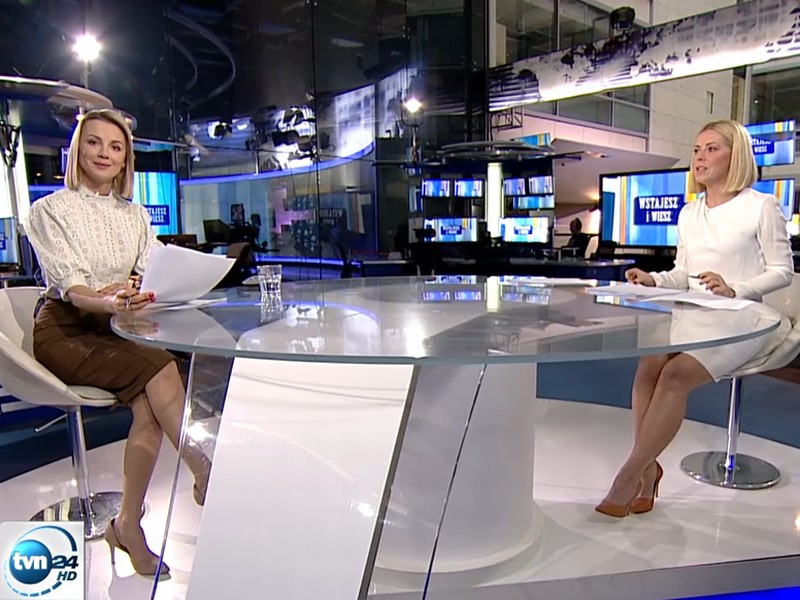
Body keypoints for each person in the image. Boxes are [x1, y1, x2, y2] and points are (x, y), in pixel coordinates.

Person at [24, 109, 211, 578]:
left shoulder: (136, 215)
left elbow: (151, 274)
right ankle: (205, 469)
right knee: (160, 368)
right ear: (77, 150)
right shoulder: (49, 210)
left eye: (115, 146)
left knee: (149, 404)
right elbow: (74, 291)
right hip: (66, 330)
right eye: (94, 143)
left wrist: (145, 291)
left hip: (118, 326)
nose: (104, 154)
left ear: (126, 157)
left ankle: (127, 526)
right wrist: (110, 300)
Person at [595, 119, 793, 517]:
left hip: (744, 315)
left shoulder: (761, 206)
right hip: (695, 310)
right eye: (697, 149)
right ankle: (649, 469)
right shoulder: (690, 212)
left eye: (712, 149)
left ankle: (629, 475)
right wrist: (653, 279)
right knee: (649, 363)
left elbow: (782, 271)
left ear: (736, 156)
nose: (700, 157)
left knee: (674, 375)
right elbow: (683, 273)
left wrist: (735, 288)